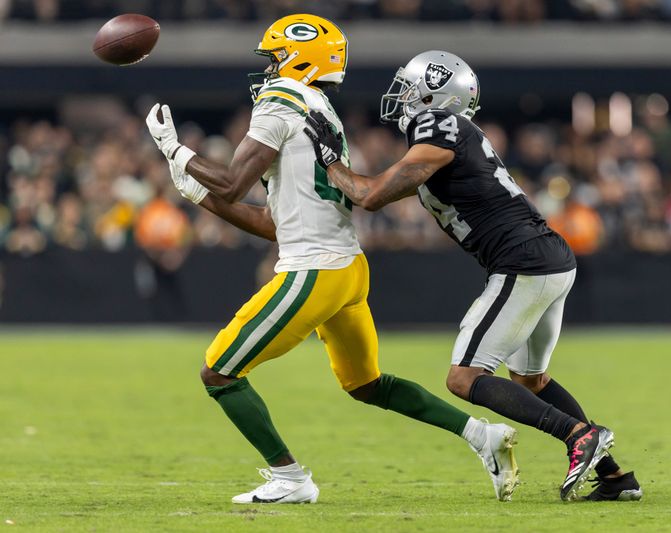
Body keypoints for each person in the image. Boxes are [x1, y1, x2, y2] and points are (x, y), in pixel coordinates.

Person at [144, 16, 520, 504]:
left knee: (219, 372)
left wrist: (175, 151)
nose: (270, 68)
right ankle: (481, 435)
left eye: (276, 56)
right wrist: (198, 192)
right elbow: (277, 222)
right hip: (346, 269)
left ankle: (291, 478)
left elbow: (234, 183)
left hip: (314, 270)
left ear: (299, 58)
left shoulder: (281, 100)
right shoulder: (319, 109)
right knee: (366, 384)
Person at [304, 50, 642, 502]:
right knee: (531, 380)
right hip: (545, 259)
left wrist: (331, 163)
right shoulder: (451, 133)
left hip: (523, 262)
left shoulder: (439, 125)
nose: (401, 94)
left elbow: (372, 195)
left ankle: (579, 435)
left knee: (463, 377)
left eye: (409, 85)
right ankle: (615, 477)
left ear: (433, 92)